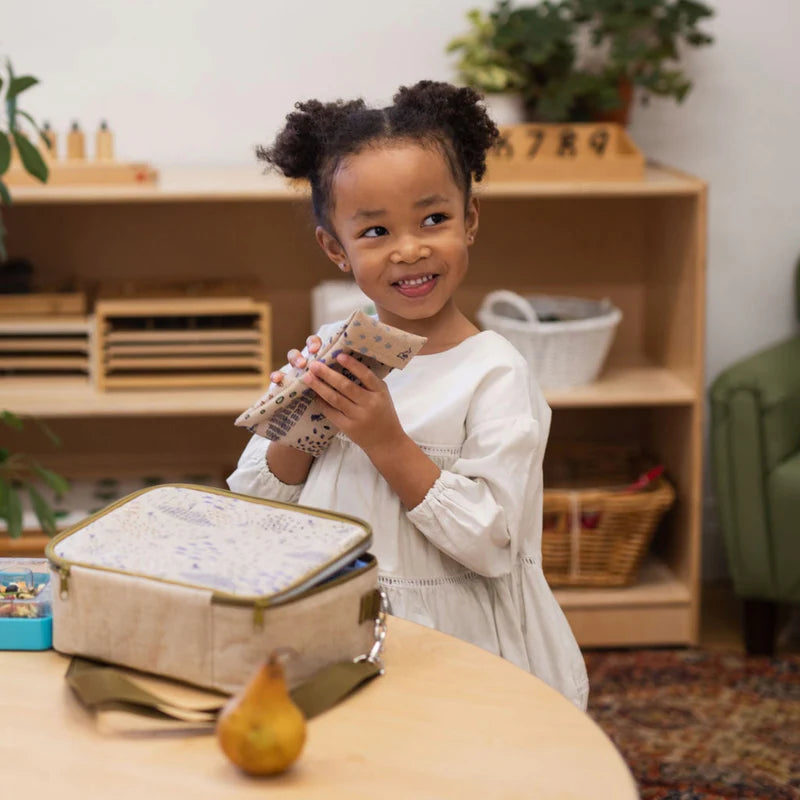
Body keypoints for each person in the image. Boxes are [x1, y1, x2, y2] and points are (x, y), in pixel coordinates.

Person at [227, 80, 588, 710]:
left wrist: (385, 440)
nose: (410, 248)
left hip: (461, 645)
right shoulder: (333, 347)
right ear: (334, 248)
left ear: (469, 220)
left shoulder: (494, 372)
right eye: (374, 232)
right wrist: (304, 417)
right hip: (337, 622)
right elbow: (258, 496)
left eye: (434, 219)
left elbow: (492, 541)